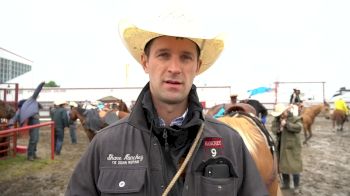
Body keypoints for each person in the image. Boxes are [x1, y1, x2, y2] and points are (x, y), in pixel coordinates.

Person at [66, 11, 268, 196]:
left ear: (197, 66)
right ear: (145, 62)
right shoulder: (105, 144)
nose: (174, 68)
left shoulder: (231, 142)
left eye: (185, 58)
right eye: (163, 55)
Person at [271, 104, 303, 194]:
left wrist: (287, 124)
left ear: (286, 111)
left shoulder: (295, 118)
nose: (280, 115)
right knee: (283, 167)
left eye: (281, 113)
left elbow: (299, 128)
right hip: (281, 147)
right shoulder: (276, 120)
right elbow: (273, 129)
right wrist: (279, 129)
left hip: (292, 147)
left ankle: (296, 186)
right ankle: (286, 184)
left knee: (295, 167)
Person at [9, 82, 45, 161]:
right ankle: (30, 155)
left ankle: (33, 154)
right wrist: (41, 85)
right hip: (33, 121)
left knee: (36, 138)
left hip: (36, 120)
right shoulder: (30, 101)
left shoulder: (25, 107)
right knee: (34, 138)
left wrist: (11, 124)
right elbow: (36, 92)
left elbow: (14, 118)